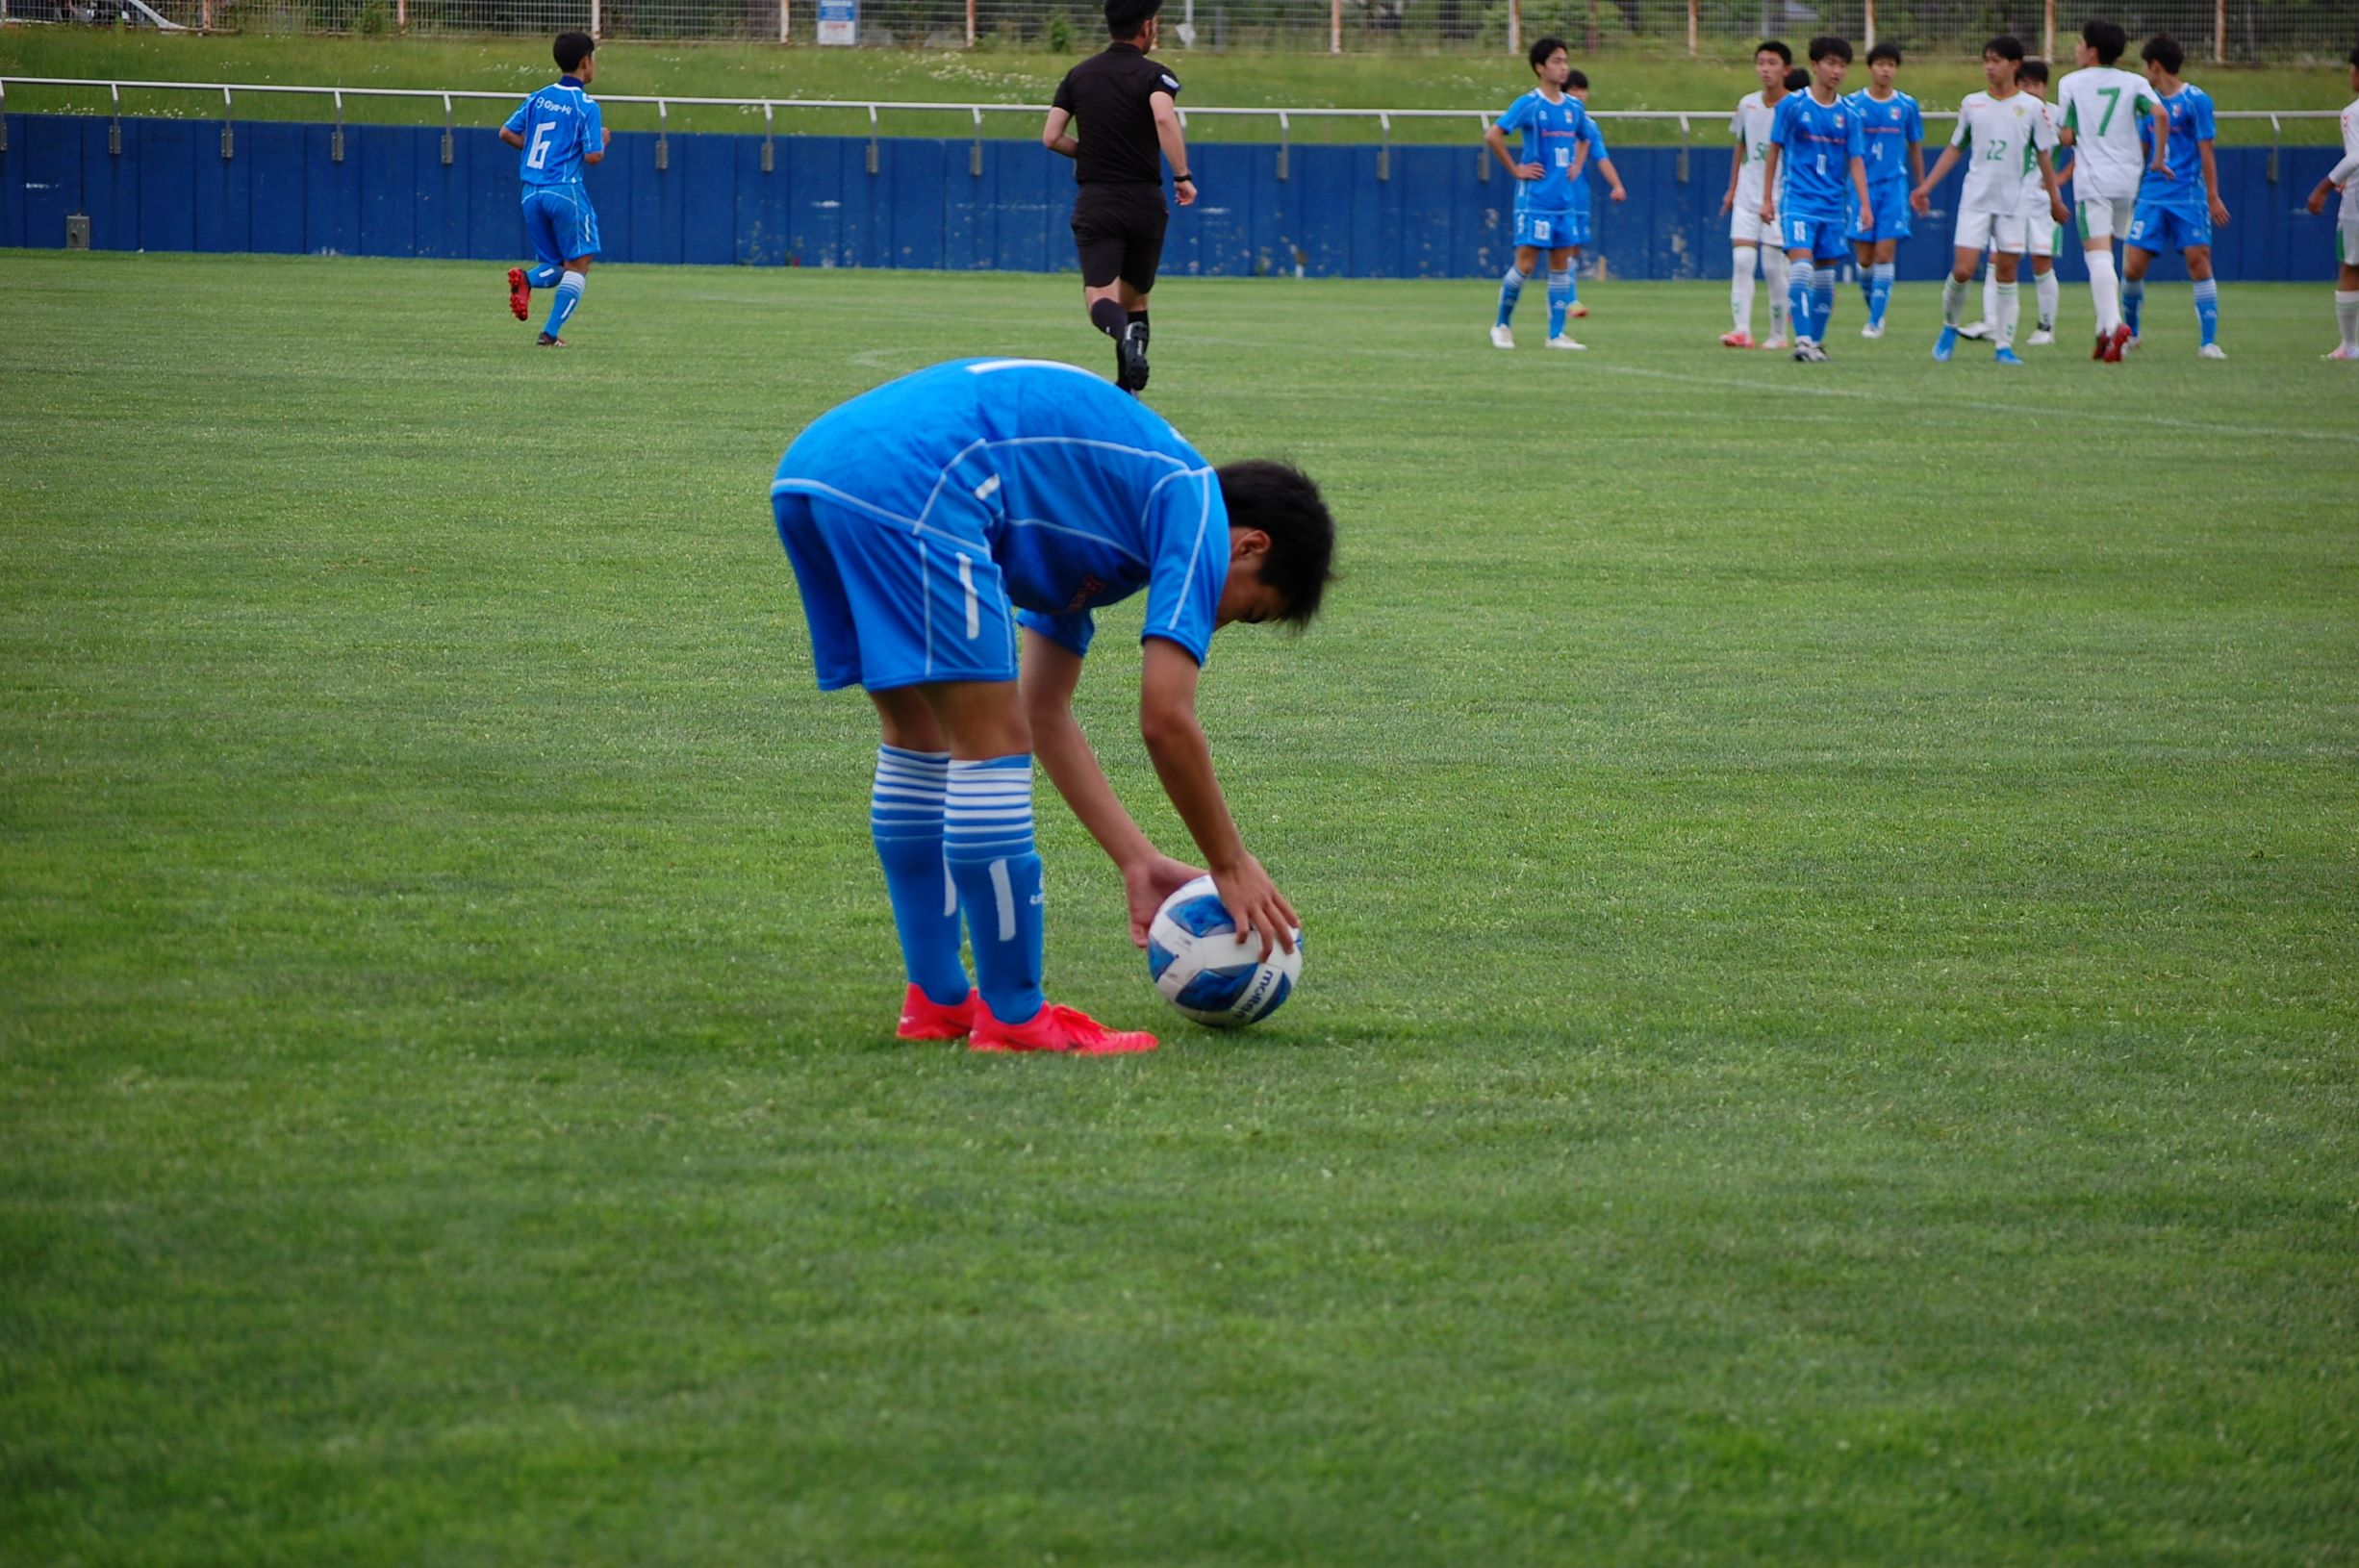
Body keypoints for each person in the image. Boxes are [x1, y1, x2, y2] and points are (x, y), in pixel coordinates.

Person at [768, 359, 1335, 1055]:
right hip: (918, 479)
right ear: (1250, 545)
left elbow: (1046, 712)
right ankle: (1014, 1016)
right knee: (989, 742)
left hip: (820, 469)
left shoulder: (1109, 525)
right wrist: (1230, 862)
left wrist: (1137, 859)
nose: (1219, 626)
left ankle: (939, 1001)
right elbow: (1166, 716)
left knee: (920, 734)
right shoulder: (1192, 498)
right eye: (1249, 612)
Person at [1042, 0, 1197, 394]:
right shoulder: (1157, 76)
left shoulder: (1078, 76)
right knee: (1136, 298)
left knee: (1100, 299)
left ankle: (1122, 337)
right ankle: (1127, 391)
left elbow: (1052, 137)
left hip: (1099, 201)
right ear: (1146, 27)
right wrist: (1182, 176)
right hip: (1146, 202)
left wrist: (1093, 150)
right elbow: (1163, 116)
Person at [1914, 36, 2065, 366]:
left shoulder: (2032, 108)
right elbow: (1955, 148)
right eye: (1986, 60)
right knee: (1963, 269)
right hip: (1976, 199)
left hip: (2014, 202)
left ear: (2014, 65)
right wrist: (1925, 186)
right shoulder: (1972, 104)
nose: (1989, 67)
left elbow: (2044, 157)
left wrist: (2055, 199)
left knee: (2007, 272)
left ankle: (2004, 346)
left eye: (1996, 60)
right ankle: (1949, 327)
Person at [2054, 17, 2169, 360]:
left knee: (2097, 256)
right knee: (2114, 255)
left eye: (2078, 43)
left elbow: (2067, 136)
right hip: (2128, 177)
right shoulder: (2134, 82)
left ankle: (2115, 324)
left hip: (2093, 179)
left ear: (2091, 50)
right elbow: (2160, 114)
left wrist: (2056, 129)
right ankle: (2103, 330)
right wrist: (2159, 159)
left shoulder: (2071, 82)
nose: (2075, 49)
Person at [1760, 36, 1870, 363]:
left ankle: (1816, 342)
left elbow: (1856, 160)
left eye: (1842, 65)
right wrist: (1767, 198)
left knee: (1825, 279)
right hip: (1798, 202)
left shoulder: (1849, 114)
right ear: (1815, 65)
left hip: (1834, 206)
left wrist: (1864, 204)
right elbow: (1774, 149)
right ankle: (1803, 339)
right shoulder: (1792, 106)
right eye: (1831, 63)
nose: (1836, 71)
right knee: (1802, 268)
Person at [2121, 33, 2229, 359]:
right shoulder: (2147, 105)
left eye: (2145, 66)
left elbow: (2206, 151)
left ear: (2155, 66)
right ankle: (2133, 333)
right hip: (2152, 195)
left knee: (2199, 262)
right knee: (2132, 269)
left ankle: (2208, 342)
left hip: (2187, 196)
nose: (2145, 72)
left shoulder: (2197, 100)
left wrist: (2213, 196)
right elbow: (2140, 149)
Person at [499, 32, 608, 348]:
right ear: (586, 62)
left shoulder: (537, 97)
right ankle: (550, 333)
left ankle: (527, 280)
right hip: (565, 190)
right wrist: (604, 139)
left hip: (531, 193)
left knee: (556, 267)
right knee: (580, 264)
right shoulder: (586, 105)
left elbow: (506, 132)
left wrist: (535, 154)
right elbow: (593, 156)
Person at [1484, 37, 1594, 351]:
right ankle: (1502, 325)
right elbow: (1493, 134)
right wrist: (1516, 169)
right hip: (1535, 200)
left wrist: (1578, 165)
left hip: (1564, 201)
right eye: (1557, 61)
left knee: (1561, 265)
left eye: (1565, 61)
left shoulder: (1574, 108)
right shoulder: (1529, 104)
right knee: (1527, 264)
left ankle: (1556, 334)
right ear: (1540, 67)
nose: (1564, 67)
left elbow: (1587, 137)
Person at [1964, 60, 2065, 345]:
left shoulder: (2055, 116)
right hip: (2009, 199)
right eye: (2025, 84)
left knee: (2041, 262)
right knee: (1997, 258)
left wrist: (2059, 180)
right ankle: (1991, 322)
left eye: (2036, 84)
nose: (2030, 90)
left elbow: (2079, 150)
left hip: (2042, 202)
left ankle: (2046, 328)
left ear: (2045, 87)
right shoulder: (2011, 109)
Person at [1844, 41, 1925, 339]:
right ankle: (1874, 310)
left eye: (1891, 65)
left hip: (1893, 187)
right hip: (1860, 189)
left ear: (1896, 69)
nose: (1885, 70)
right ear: (1870, 68)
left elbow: (1915, 146)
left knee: (1884, 253)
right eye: (1880, 64)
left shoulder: (1906, 105)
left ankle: (1876, 320)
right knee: (1864, 258)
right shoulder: (1853, 104)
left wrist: (1922, 186)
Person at [1720, 40, 1793, 349]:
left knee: (1774, 267)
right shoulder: (1747, 104)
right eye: (1761, 62)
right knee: (1742, 260)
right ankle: (1742, 330)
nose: (1765, 69)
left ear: (1786, 69)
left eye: (1772, 63)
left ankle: (1778, 334)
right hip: (1748, 194)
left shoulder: (1794, 107)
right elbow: (1741, 145)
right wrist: (1733, 187)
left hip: (1780, 197)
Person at [1559, 69, 1629, 321]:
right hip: (1556, 193)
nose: (1578, 94)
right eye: (1573, 90)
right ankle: (1568, 297)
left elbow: (1601, 158)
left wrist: (1617, 185)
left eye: (1582, 89)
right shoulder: (1556, 120)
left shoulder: (1589, 126)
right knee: (1561, 245)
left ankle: (1565, 294)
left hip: (1579, 195)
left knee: (1574, 246)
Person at [2304, 43, 2359, 360]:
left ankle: (2349, 346)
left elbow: (2356, 156)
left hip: (2355, 204)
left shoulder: (2352, 113)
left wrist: (2325, 186)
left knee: (2350, 268)